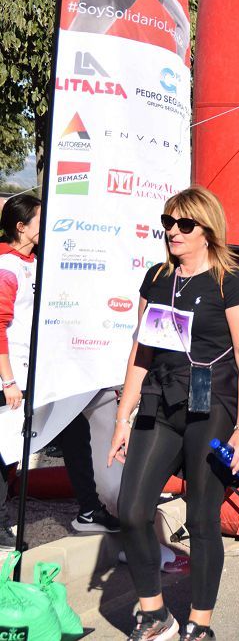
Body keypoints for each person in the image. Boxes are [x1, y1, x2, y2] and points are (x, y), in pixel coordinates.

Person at [108, 187, 239, 641]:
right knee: (132, 511)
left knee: (201, 517)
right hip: (159, 398)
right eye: (168, 223)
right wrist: (122, 419)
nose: (173, 231)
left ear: (207, 230)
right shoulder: (157, 278)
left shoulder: (231, 282)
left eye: (184, 224)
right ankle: (154, 614)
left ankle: (200, 622)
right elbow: (141, 352)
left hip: (211, 402)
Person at [0, 194, 120, 546]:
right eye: (40, 219)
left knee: (73, 427)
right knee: (6, 446)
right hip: (12, 375)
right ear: (21, 227)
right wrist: (8, 380)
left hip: (43, 373)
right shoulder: (6, 267)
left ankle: (88, 510)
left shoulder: (36, 262)